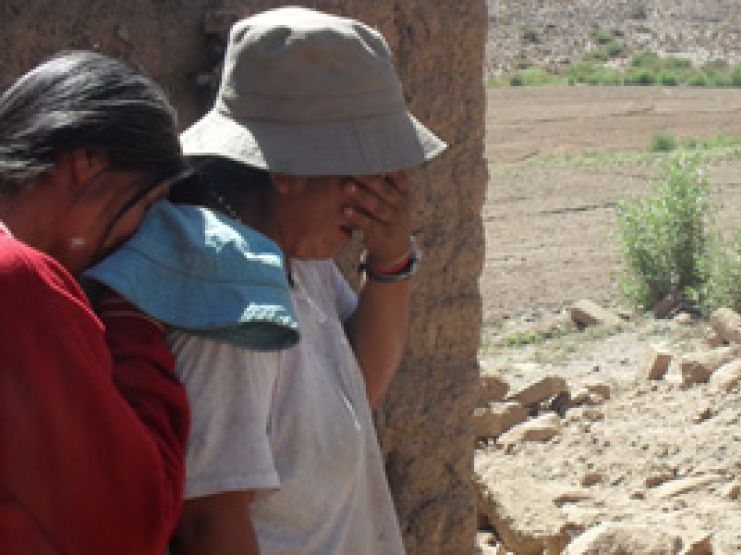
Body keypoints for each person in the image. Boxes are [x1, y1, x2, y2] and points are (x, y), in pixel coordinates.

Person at [165, 8, 445, 554]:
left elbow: (353, 389)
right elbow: (210, 524)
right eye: (363, 169)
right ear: (287, 170)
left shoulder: (297, 256)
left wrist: (389, 258)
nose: (379, 192)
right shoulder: (229, 312)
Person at [0, 51, 190, 553]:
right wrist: (135, 322)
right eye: (146, 205)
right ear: (88, 162)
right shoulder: (18, 284)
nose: (137, 235)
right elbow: (130, 523)